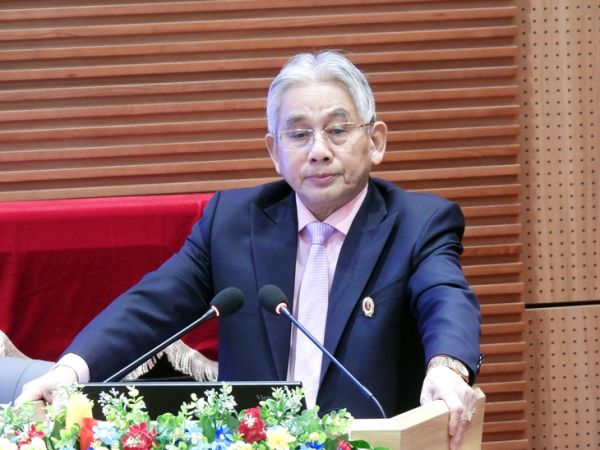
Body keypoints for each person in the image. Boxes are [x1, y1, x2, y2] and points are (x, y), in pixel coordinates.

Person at [17, 50, 481, 450]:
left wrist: (447, 367)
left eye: (338, 130)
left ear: (375, 142)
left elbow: (444, 296)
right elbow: (152, 304)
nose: (319, 150)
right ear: (275, 151)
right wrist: (71, 371)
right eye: (299, 134)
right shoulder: (232, 223)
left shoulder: (417, 223)